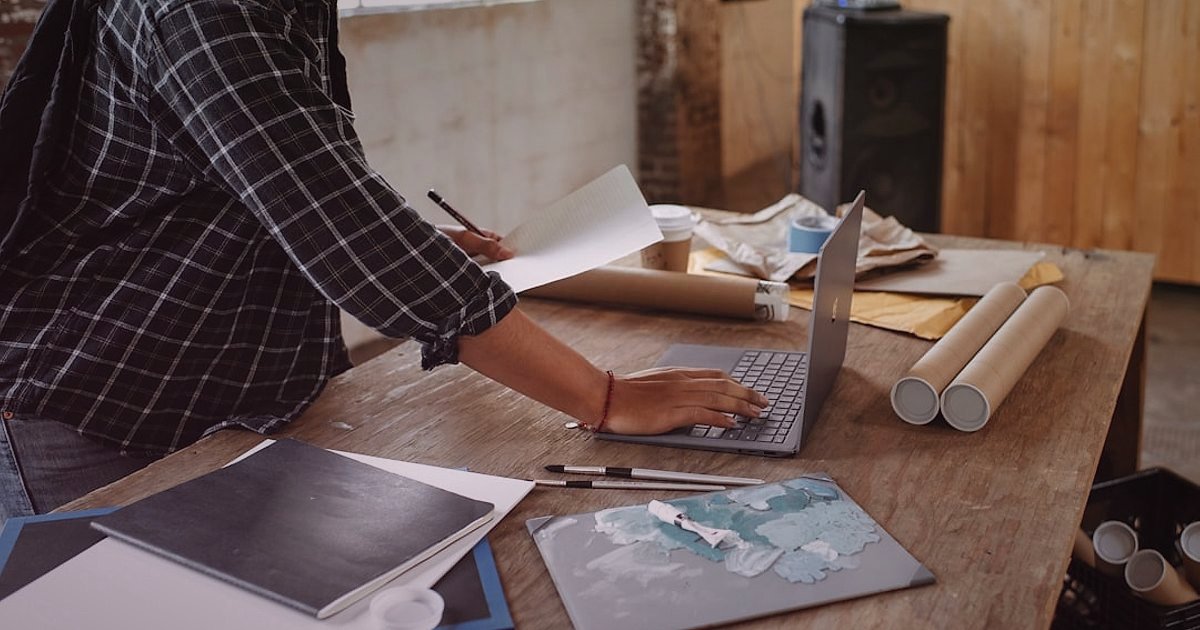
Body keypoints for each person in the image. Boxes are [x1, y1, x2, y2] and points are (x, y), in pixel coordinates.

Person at [0, 0, 766, 522]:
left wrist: (416, 250)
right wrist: (603, 398)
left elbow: (267, 194)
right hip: (97, 412)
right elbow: (340, 223)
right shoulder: (202, 10)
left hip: (225, 406)